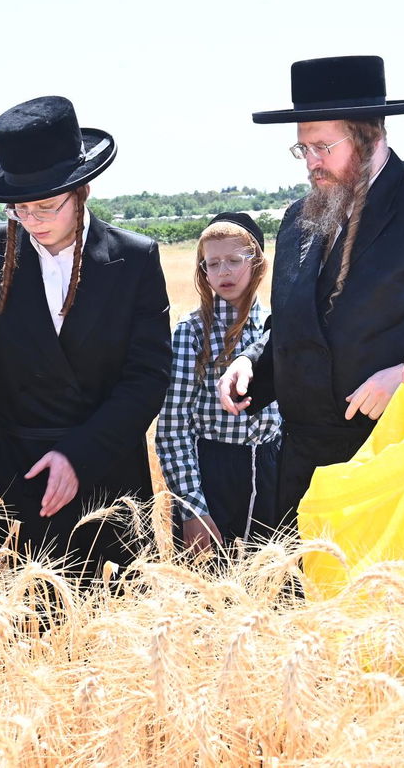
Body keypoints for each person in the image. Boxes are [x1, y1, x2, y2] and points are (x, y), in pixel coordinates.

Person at [217, 55, 404, 526]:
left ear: (371, 135)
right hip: (306, 475)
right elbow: (299, 322)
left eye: (323, 146)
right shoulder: (300, 218)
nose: (312, 164)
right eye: (303, 150)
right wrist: (251, 362)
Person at [0, 95, 171, 579]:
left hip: (105, 472)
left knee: (106, 627)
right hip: (12, 472)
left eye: (46, 205)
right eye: (19, 207)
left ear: (81, 190)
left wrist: (78, 455)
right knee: (13, 621)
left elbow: (147, 378)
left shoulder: (134, 258)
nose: (33, 220)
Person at [156, 213, 281, 553]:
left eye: (234, 261)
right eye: (213, 264)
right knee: (210, 579)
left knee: (270, 582)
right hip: (211, 470)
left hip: (269, 468)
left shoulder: (277, 327)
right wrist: (192, 509)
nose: (223, 272)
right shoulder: (192, 332)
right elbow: (172, 427)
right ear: (203, 271)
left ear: (256, 263)